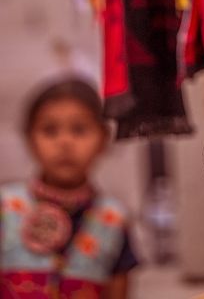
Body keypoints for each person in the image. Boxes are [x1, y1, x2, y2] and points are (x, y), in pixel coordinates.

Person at [0, 78, 139, 298]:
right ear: (30, 139)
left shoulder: (114, 219)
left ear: (103, 139)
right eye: (50, 130)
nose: (64, 142)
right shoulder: (6, 208)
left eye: (79, 130)